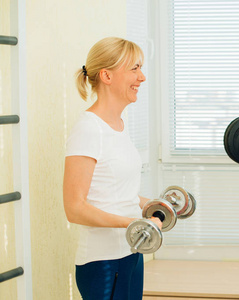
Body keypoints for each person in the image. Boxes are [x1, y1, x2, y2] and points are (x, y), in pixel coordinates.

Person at [63, 37, 162, 300]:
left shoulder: (118, 125)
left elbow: (117, 194)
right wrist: (135, 223)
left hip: (131, 252)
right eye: (134, 68)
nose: (141, 77)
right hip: (103, 262)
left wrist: (155, 206)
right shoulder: (88, 129)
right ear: (106, 75)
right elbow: (74, 208)